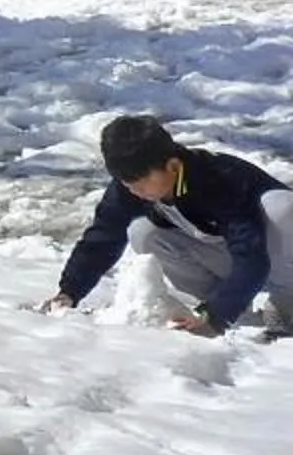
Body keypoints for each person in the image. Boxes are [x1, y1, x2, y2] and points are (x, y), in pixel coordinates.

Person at [44, 115, 293, 336]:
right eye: (128, 186)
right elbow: (102, 237)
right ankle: (235, 317)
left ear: (173, 167)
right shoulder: (131, 187)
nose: (135, 193)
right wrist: (69, 292)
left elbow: (251, 255)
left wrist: (217, 315)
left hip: (272, 251)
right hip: (227, 250)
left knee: (281, 208)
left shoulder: (216, 179)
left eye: (141, 185)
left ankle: (285, 306)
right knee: (143, 233)